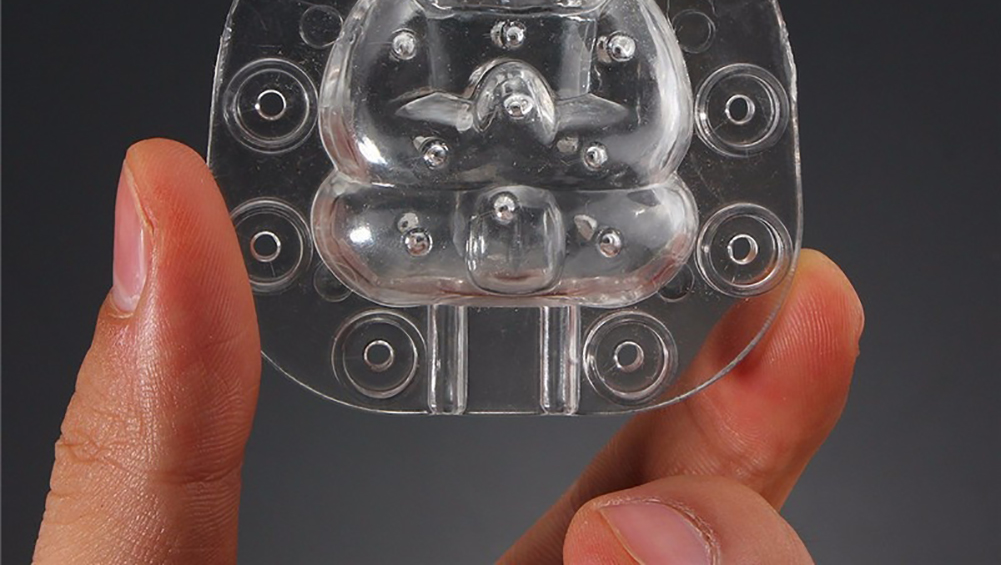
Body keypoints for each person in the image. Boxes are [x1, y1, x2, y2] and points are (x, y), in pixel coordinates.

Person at [31, 139, 863, 565]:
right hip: (409, 223)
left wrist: (555, 130)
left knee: (654, 217)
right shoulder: (390, 16)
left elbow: (645, 132)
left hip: (591, 219)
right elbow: (367, 126)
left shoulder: (625, 20)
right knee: (357, 216)